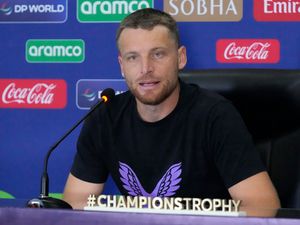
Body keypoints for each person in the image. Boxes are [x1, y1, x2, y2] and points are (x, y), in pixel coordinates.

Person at [63, 8, 280, 211]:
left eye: (157, 54)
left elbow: (263, 206)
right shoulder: (105, 117)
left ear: (181, 57)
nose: (145, 68)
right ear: (122, 66)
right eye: (133, 57)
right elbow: (75, 204)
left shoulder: (215, 116)